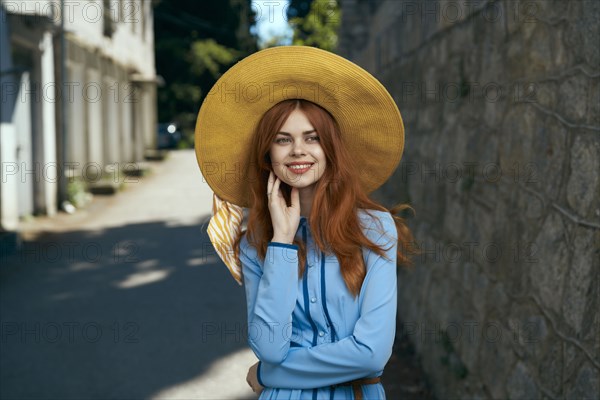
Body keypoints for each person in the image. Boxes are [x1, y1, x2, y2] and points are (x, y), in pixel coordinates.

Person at [195, 46, 416, 400]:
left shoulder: (374, 228)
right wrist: (282, 242)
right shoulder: (255, 243)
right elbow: (268, 346)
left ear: (330, 148)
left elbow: (372, 354)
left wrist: (269, 374)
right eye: (283, 140)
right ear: (268, 155)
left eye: (312, 138)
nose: (298, 150)